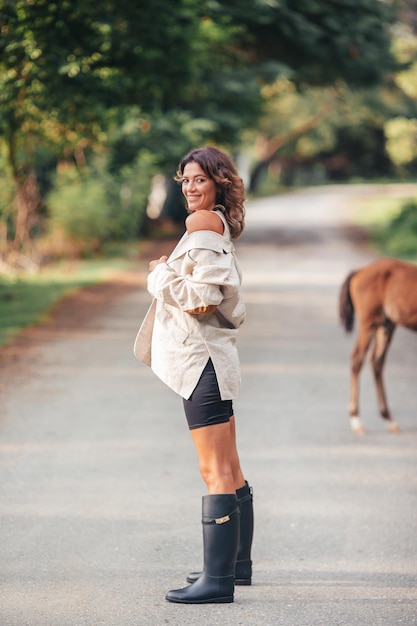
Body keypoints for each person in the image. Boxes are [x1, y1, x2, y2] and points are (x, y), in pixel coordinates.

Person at [134, 146, 254, 604]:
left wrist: (159, 275)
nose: (189, 188)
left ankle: (216, 582)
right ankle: (234, 567)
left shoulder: (202, 227)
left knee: (213, 470)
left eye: (198, 179)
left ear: (218, 182)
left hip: (201, 362)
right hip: (213, 359)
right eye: (184, 180)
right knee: (230, 466)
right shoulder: (216, 222)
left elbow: (201, 299)